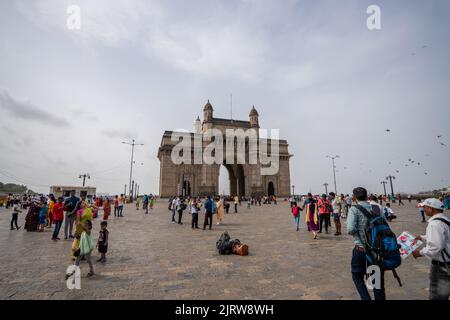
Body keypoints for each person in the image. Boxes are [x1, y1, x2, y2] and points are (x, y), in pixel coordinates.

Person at [347, 187, 386, 300]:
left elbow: (350, 229)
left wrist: (359, 235)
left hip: (361, 249)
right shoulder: (377, 207)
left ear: (354, 197)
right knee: (376, 281)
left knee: (357, 276)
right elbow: (383, 224)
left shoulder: (354, 209)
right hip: (376, 250)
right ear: (366, 196)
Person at [412, 198, 450, 300]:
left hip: (442, 267)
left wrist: (419, 253)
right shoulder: (444, 219)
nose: (424, 209)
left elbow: (435, 247)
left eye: (425, 207)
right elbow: (441, 238)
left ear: (431, 209)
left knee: (437, 295)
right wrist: (422, 237)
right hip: (447, 263)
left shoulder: (434, 224)